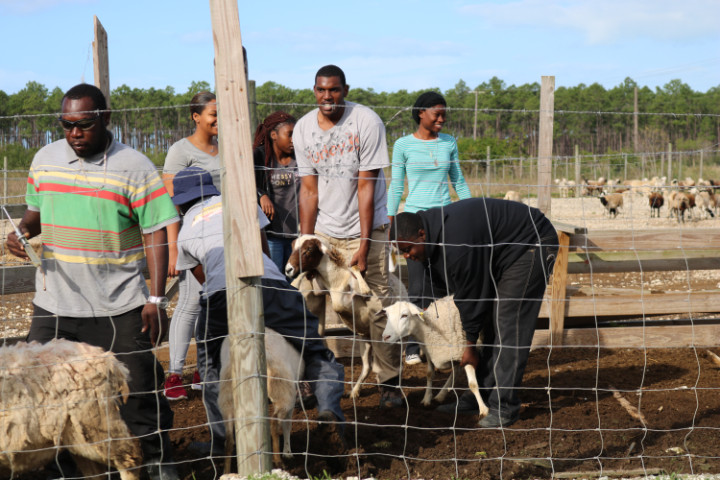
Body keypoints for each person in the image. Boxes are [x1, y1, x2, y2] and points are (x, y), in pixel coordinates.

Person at [6, 83, 180, 480]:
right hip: (55, 303)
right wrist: (22, 231)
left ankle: (155, 462)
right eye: (66, 125)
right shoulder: (44, 159)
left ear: (104, 119)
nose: (74, 134)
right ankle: (73, 469)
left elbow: (155, 231)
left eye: (83, 125)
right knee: (47, 393)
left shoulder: (134, 165)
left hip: (119, 304)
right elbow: (36, 212)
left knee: (135, 391)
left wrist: (155, 298)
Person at [171, 166, 346, 457]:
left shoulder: (185, 228)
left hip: (220, 294)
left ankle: (222, 443)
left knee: (211, 364)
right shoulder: (241, 203)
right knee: (315, 350)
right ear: (213, 190)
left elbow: (205, 279)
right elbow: (262, 253)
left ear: (180, 203)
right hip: (271, 284)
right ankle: (328, 412)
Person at [390, 198, 558, 427]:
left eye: (407, 249)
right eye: (401, 252)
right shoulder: (430, 238)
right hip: (501, 253)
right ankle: (480, 395)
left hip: (530, 243)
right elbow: (444, 290)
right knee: (490, 321)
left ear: (421, 234)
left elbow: (472, 295)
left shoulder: (457, 244)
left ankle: (504, 406)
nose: (406, 256)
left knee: (509, 323)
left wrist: (467, 344)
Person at [292, 64, 403, 408]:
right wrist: (306, 239)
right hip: (325, 229)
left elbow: (366, 185)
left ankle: (389, 383)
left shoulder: (366, 122)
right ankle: (307, 380)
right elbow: (308, 189)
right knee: (306, 298)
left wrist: (366, 242)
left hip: (364, 229)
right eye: (321, 90)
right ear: (315, 91)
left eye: (334, 90)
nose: (328, 97)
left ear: (345, 89)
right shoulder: (303, 129)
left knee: (377, 303)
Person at [387, 91, 472, 365]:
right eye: (437, 113)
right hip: (414, 222)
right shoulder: (403, 145)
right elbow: (397, 185)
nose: (442, 119)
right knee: (419, 285)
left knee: (447, 284)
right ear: (421, 113)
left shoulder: (449, 142)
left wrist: (472, 214)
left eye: (444, 113)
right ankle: (413, 345)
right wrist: (392, 224)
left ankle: (445, 341)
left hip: (445, 220)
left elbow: (458, 181)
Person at [162, 91, 221, 401]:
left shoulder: (222, 149)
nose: (219, 120)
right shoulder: (179, 151)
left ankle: (202, 369)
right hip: (192, 238)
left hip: (221, 234)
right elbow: (170, 203)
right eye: (213, 114)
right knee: (190, 303)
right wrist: (174, 250)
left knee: (212, 305)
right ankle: (174, 374)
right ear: (196, 117)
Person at [253, 111, 299, 272]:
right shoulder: (259, 156)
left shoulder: (300, 157)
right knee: (274, 279)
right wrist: (261, 194)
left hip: (297, 235)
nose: (294, 139)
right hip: (271, 235)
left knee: (295, 284)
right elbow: (245, 183)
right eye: (290, 134)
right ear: (273, 135)